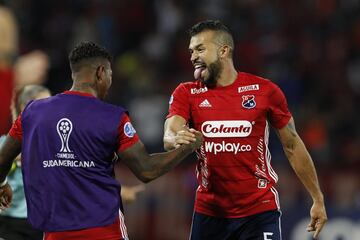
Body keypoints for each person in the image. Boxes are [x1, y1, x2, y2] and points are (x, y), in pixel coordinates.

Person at [0, 41, 203, 240]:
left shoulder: (33, 112)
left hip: (55, 233)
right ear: (101, 72)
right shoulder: (113, 117)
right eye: (110, 75)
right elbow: (147, 169)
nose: (110, 82)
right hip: (105, 231)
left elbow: (2, 158)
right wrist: (188, 146)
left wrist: (2, 183)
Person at [163, 20, 327, 240]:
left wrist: (317, 199)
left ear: (224, 50)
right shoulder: (187, 92)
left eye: (200, 49)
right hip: (210, 212)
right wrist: (175, 138)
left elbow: (292, 144)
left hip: (259, 211)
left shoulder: (265, 91)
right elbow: (170, 130)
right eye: (191, 51)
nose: (193, 56)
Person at [0, 85, 51, 240]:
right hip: (8, 224)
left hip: (42, 223)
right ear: (25, 108)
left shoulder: (57, 145)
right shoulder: (4, 145)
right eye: (45, 105)